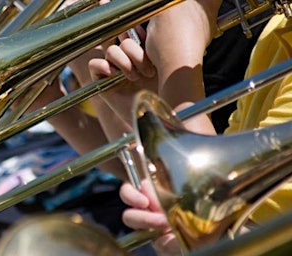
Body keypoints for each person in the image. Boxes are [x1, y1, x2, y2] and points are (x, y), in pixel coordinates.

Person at [110, 2, 292, 256]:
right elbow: (210, 199)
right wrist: (156, 107)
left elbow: (212, 200)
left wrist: (177, 62)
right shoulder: (276, 31)